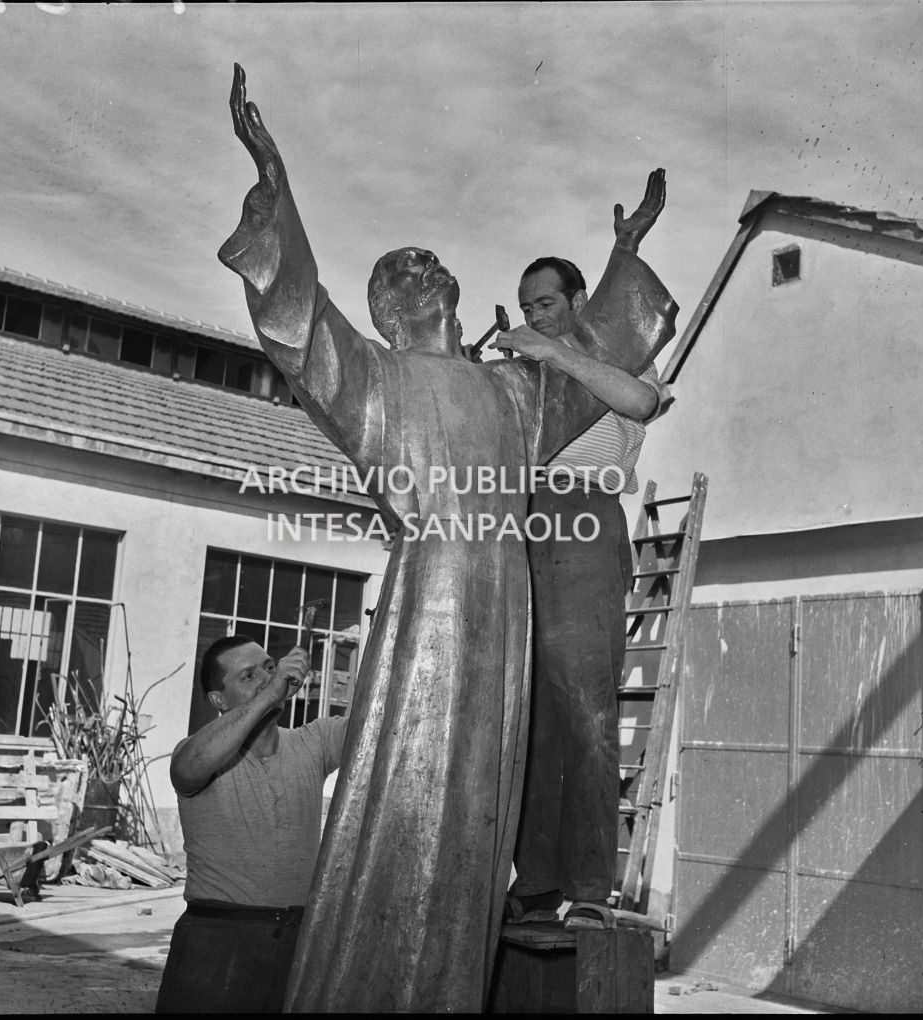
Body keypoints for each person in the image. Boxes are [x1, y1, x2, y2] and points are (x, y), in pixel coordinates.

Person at [216, 63, 676, 1012]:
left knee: (498, 772)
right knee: (417, 776)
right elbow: (301, 332)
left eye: (430, 263)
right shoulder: (378, 380)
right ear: (386, 309)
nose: (423, 271)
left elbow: (615, 368)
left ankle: (522, 908)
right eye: (403, 270)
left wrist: (624, 258)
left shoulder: (511, 388)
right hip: (435, 596)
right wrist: (277, 188)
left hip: (510, 597)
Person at [494, 225, 671, 931]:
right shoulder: (531, 371)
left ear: (579, 302)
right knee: (532, 715)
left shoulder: (620, 360)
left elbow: (639, 404)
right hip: (524, 524)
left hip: (588, 522)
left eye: (545, 303)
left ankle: (593, 886)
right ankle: (535, 880)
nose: (534, 316)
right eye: (526, 308)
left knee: (587, 713)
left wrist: (548, 351)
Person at [154, 635, 347, 1013]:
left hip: (297, 941)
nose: (265, 678)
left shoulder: (315, 741)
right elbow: (186, 769)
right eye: (247, 675)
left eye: (269, 667)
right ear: (218, 700)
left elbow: (385, 721)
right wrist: (271, 693)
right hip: (216, 944)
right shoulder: (195, 751)